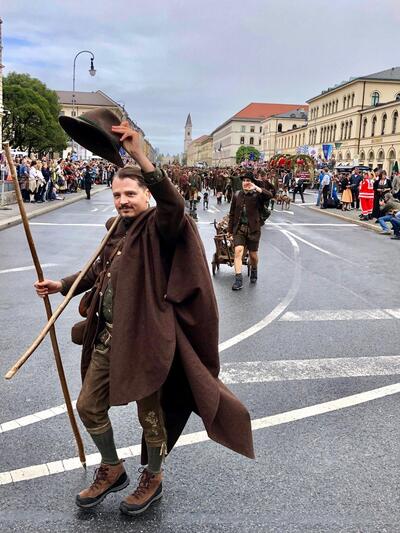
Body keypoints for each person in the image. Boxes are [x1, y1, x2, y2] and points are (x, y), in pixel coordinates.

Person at [34, 120, 254, 516]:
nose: (123, 201)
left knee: (151, 415)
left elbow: (174, 204)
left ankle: (153, 475)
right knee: (88, 405)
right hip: (108, 337)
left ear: (146, 195)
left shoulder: (161, 225)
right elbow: (99, 270)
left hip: (147, 339)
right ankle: (112, 467)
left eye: (130, 194)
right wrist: (62, 285)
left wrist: (140, 156)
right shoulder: (117, 230)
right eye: (117, 194)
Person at [228, 171, 272, 290]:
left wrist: (256, 188)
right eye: (244, 180)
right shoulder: (237, 195)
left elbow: (269, 195)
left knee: (253, 255)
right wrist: (230, 231)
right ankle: (238, 280)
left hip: (253, 229)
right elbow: (232, 214)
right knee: (238, 251)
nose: (245, 182)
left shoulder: (257, 195)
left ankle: (254, 269)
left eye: (248, 181)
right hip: (240, 229)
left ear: (252, 182)